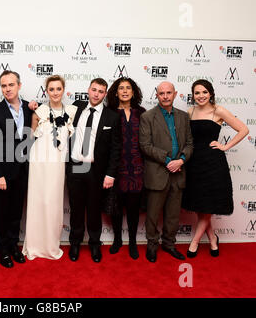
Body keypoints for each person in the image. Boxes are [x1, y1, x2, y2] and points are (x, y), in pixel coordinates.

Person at [182, 79, 248, 258]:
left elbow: (243, 129)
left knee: (208, 204)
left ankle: (194, 241)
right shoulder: (190, 111)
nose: (201, 96)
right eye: (197, 93)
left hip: (213, 163)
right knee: (199, 204)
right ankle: (212, 237)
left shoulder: (218, 110)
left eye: (204, 92)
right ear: (193, 95)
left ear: (210, 93)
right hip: (194, 163)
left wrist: (225, 146)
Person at [67, 78, 122, 263]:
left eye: (101, 91)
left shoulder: (111, 117)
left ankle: (95, 244)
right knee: (75, 209)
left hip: (96, 169)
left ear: (105, 94)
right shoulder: (76, 107)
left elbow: (116, 148)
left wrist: (110, 174)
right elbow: (55, 111)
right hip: (75, 166)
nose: (96, 94)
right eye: (94, 90)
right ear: (88, 90)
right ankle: (74, 242)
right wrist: (35, 107)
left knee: (93, 209)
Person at [22, 75, 77, 260]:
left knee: (53, 203)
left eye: (58, 89)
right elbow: (30, 138)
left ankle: (51, 245)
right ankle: (35, 245)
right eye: (51, 89)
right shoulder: (39, 111)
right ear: (47, 91)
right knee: (38, 201)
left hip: (58, 162)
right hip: (39, 161)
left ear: (64, 90)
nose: (55, 92)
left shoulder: (72, 110)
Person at [0, 70, 34, 268]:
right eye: (3, 86)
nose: (7, 89)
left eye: (11, 85)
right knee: (3, 214)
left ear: (19, 86)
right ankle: (3, 250)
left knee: (16, 213)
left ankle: (14, 246)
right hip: (3, 174)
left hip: (23, 172)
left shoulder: (31, 109)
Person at [139, 81, 193, 263]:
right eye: (161, 93)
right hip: (157, 173)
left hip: (178, 173)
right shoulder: (147, 117)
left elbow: (190, 144)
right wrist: (168, 161)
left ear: (175, 94)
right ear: (156, 95)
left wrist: (182, 160)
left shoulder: (184, 117)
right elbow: (145, 146)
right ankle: (152, 246)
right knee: (153, 215)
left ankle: (169, 244)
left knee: (173, 215)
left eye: (169, 92)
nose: (165, 96)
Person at [106, 77, 146, 260]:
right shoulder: (109, 112)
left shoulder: (142, 112)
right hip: (116, 167)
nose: (124, 91)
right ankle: (117, 240)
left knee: (133, 207)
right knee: (116, 206)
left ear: (133, 92)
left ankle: (132, 241)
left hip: (137, 167)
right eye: (121, 88)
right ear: (116, 92)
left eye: (128, 88)